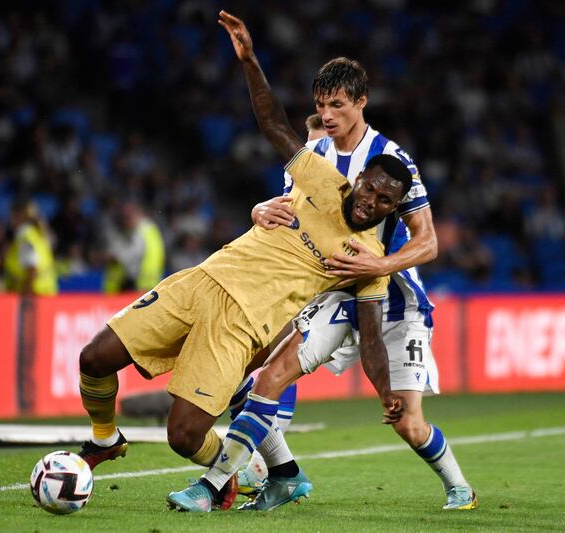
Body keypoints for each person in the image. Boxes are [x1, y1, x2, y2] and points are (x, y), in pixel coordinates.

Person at [76, 22, 414, 511]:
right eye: (370, 189)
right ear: (358, 179)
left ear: (394, 207)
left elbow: (371, 333)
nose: (372, 202)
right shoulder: (321, 181)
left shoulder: (369, 260)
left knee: (184, 434)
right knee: (94, 357)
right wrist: (250, 61)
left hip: (243, 323)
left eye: (386, 201)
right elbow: (274, 123)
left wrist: (387, 392)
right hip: (203, 279)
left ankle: (234, 470)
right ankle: (106, 439)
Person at [189, 11, 476, 512]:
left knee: (407, 421)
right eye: (321, 104)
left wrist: (378, 265)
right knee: (255, 371)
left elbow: (427, 242)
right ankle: (263, 476)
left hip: (388, 297)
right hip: (325, 292)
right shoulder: (312, 152)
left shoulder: (391, 158)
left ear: (361, 102)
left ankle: (459, 487)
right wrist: (260, 210)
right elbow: (292, 214)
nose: (327, 114)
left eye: (338, 105)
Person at [102, 199, 165, 294]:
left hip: (143, 282)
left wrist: (116, 258)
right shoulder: (151, 229)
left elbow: (134, 253)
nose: (125, 221)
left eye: (127, 217)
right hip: (152, 280)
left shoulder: (141, 231)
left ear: (135, 214)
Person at [3, 197, 58, 296]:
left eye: (10, 215)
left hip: (34, 297)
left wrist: (26, 296)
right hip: (46, 295)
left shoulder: (26, 238)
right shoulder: (37, 234)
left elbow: (32, 268)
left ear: (19, 216)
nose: (9, 219)